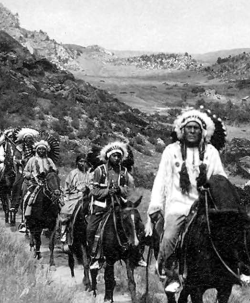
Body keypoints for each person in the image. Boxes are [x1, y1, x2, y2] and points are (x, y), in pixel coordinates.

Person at [147, 108, 228, 293]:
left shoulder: (211, 152)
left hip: (203, 206)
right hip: (178, 205)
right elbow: (161, 179)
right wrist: (156, 205)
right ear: (182, 131)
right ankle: (168, 273)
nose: (192, 131)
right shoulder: (171, 151)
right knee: (169, 237)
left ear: (202, 131)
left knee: (225, 236)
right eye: (189, 128)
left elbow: (220, 179)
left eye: (196, 128)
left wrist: (214, 191)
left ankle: (231, 271)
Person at [86, 141, 140, 268]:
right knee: (91, 229)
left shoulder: (124, 172)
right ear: (108, 156)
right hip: (102, 206)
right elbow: (94, 191)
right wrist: (107, 191)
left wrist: (120, 190)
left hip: (119, 205)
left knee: (135, 223)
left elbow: (128, 190)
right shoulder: (100, 171)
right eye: (114, 155)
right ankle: (94, 256)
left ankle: (137, 255)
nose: (117, 158)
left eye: (119, 156)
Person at [21, 140, 57, 226]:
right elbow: (25, 171)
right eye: (39, 149)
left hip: (48, 185)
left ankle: (59, 220)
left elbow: (55, 171)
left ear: (46, 150)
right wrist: (32, 175)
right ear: (36, 150)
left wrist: (52, 173)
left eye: (43, 149)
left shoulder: (49, 160)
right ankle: (25, 221)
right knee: (27, 199)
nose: (41, 151)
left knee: (59, 199)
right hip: (34, 184)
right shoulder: (32, 160)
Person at [58, 154, 92, 244]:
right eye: (81, 161)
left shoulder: (90, 174)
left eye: (84, 161)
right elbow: (67, 187)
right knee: (66, 210)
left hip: (87, 197)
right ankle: (63, 232)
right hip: (74, 196)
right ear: (77, 163)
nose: (83, 163)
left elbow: (93, 185)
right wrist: (76, 190)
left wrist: (88, 188)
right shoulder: (73, 173)